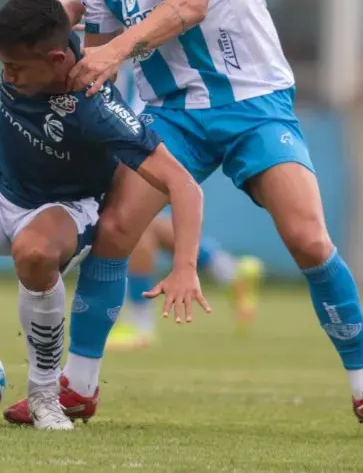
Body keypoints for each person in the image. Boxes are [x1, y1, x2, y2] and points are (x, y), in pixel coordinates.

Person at [3, 0, 363, 441]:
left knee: (307, 238)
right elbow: (92, 62)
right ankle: (79, 388)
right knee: (117, 230)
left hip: (254, 104)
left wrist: (112, 51)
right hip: (172, 113)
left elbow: (189, 5)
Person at [0, 0, 209, 430]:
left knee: (33, 253)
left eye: (14, 67)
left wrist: (184, 265)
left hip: (63, 205)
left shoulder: (97, 107)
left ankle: (44, 395)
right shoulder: (45, 33)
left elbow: (183, 184)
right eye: (2, 65)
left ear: (55, 59)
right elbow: (69, 4)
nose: (6, 76)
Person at [108, 65, 265, 350]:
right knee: (135, 218)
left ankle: (140, 324)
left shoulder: (123, 28)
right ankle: (226, 269)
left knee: (128, 217)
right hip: (155, 120)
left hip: (141, 124)